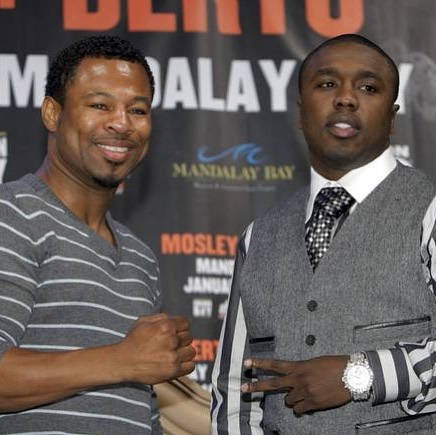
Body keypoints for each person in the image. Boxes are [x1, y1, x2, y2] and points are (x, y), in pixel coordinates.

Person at [211, 34, 436, 434]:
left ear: (393, 114)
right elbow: (235, 392)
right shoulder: (259, 235)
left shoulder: (430, 211)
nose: (346, 98)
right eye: (327, 84)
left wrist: (360, 375)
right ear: (301, 112)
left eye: (368, 87)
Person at [0, 36, 195, 434]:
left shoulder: (140, 258)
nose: (122, 123)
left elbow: (136, 409)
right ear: (53, 114)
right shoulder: (12, 215)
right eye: (100, 105)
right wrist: (121, 359)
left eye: (137, 109)